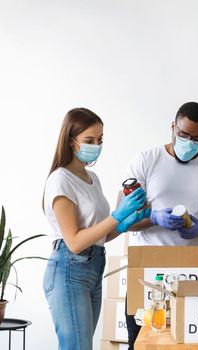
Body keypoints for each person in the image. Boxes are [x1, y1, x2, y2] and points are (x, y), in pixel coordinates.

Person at [122, 102, 198, 348]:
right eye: (182, 135)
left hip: (195, 273)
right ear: (172, 127)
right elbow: (122, 219)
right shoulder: (146, 161)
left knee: (192, 345)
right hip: (147, 272)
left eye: (197, 139)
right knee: (142, 342)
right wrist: (154, 218)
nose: (188, 143)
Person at [42, 108, 149, 350]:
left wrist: (125, 223)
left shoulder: (92, 178)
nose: (96, 145)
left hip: (93, 267)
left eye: (100, 139)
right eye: (89, 140)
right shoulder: (61, 180)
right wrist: (117, 215)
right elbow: (76, 242)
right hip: (69, 269)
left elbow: (100, 234)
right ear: (71, 142)